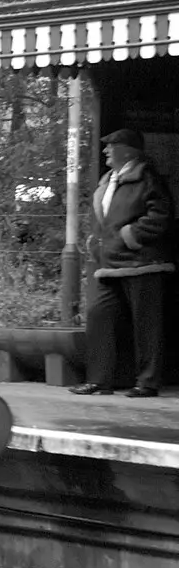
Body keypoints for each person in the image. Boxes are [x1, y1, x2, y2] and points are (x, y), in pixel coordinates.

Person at [71, 128, 174, 397]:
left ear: (128, 150)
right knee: (98, 316)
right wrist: (96, 241)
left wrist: (132, 235)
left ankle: (147, 383)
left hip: (142, 263)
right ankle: (99, 380)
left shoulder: (147, 178)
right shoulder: (109, 180)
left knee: (146, 326)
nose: (105, 150)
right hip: (111, 264)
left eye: (111, 145)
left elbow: (161, 214)